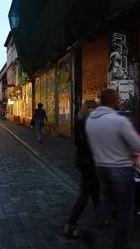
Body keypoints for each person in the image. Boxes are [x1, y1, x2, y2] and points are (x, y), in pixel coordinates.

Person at [86, 89, 140, 249]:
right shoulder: (118, 121)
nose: (120, 101)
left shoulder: (91, 120)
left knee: (108, 201)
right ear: (113, 101)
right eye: (118, 99)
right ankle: (121, 242)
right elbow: (136, 144)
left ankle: (90, 228)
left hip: (102, 167)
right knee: (125, 208)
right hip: (121, 168)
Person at [64, 100, 99, 237]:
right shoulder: (84, 123)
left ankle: (102, 217)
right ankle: (71, 224)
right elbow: (80, 141)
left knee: (95, 190)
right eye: (92, 109)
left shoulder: (83, 122)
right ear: (88, 109)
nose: (93, 111)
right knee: (86, 193)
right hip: (87, 161)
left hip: (85, 160)